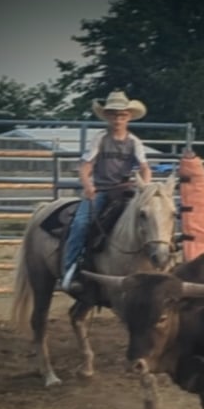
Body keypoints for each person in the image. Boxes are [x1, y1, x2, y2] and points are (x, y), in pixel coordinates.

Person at [60, 90, 153, 292]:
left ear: (128, 117)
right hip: (101, 190)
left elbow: (145, 167)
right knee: (81, 223)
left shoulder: (135, 142)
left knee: (150, 219)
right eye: (113, 114)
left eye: (122, 115)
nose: (118, 119)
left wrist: (144, 188)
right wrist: (88, 186)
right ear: (107, 116)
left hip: (125, 190)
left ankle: (155, 264)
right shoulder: (100, 139)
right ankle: (70, 270)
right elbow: (85, 166)